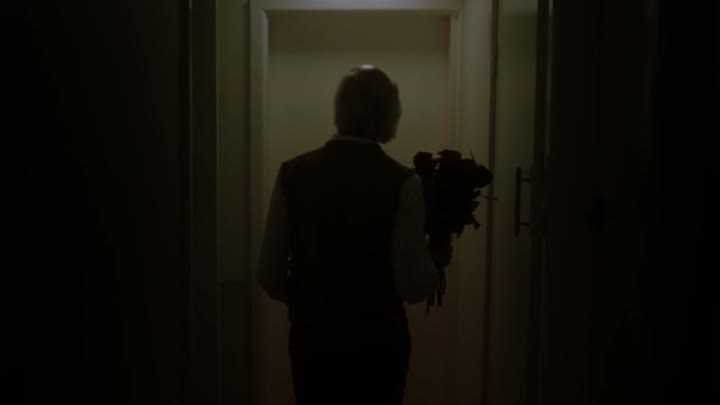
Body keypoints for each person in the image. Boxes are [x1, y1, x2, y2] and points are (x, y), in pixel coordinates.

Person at [256, 65, 451, 405]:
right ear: (388, 113)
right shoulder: (403, 183)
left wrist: (309, 298)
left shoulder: (292, 174)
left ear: (340, 108)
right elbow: (413, 286)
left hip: (313, 341)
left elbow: (269, 274)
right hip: (378, 345)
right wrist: (436, 259)